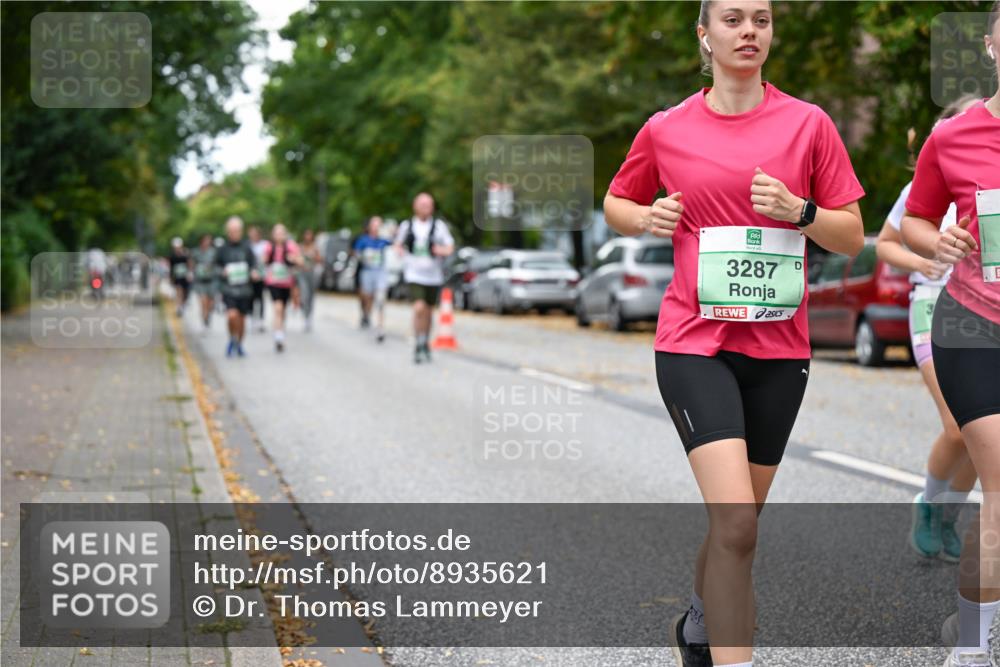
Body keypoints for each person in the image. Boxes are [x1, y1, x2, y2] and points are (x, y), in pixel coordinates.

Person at [604, 2, 865, 665]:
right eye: (732, 19)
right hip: (694, 343)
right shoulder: (667, 129)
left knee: (736, 527)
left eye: (762, 19)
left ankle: (699, 624)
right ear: (705, 35)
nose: (749, 31)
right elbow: (616, 200)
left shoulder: (809, 124)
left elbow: (852, 233)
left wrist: (799, 210)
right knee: (739, 521)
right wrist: (646, 218)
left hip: (779, 350)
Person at [900, 5, 1000, 665]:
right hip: (973, 327)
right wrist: (941, 240)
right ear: (993, 45)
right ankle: (973, 648)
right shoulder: (956, 136)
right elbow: (912, 222)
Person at [876, 96, 980, 563]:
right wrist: (925, 260)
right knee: (958, 426)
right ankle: (929, 504)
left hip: (984, 312)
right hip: (934, 304)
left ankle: (950, 514)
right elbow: (885, 244)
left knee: (983, 432)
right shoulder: (925, 181)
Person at [394, 193, 455, 363]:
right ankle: (418, 343)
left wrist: (440, 250)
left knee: (428, 312)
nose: (425, 208)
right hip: (414, 274)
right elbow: (397, 244)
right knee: (419, 308)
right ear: (415, 206)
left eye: (428, 205)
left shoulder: (439, 226)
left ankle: (425, 342)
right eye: (422, 205)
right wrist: (399, 251)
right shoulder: (407, 225)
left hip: (433, 276)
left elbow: (450, 247)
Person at [214, 216, 259, 358]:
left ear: (241, 231)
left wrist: (254, 272)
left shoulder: (247, 248)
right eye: (231, 231)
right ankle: (232, 339)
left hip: (245, 290)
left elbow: (255, 265)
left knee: (242, 319)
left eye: (237, 231)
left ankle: (239, 343)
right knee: (232, 316)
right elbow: (215, 266)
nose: (234, 233)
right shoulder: (222, 249)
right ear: (228, 232)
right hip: (229, 289)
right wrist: (222, 272)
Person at [262, 223, 302, 352]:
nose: (279, 236)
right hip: (273, 283)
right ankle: (278, 337)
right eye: (277, 233)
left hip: (286, 283)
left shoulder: (290, 246)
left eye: (281, 233)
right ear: (273, 235)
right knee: (277, 308)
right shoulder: (269, 247)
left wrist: (294, 259)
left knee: (283, 310)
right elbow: (262, 261)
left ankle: (280, 332)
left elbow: (301, 261)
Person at [354, 216, 392, 342]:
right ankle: (366, 314)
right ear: (370, 227)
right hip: (367, 271)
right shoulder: (363, 240)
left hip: (380, 272)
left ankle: (380, 327)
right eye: (375, 225)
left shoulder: (384, 240)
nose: (377, 228)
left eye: (379, 225)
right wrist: (363, 256)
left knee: (380, 299)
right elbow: (356, 253)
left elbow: (396, 244)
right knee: (367, 296)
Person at [296, 229, 321, 332]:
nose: (307, 237)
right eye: (306, 235)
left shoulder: (315, 247)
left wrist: (314, 256)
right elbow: (295, 259)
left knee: (311, 296)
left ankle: (309, 316)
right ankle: (305, 314)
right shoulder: (300, 247)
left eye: (309, 235)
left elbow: (320, 259)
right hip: (302, 273)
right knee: (304, 295)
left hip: (311, 273)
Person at [191, 234, 218, 332]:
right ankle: (204, 321)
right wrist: (192, 271)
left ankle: (208, 316)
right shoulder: (196, 252)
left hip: (211, 280)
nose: (207, 242)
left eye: (209, 240)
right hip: (200, 281)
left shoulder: (214, 252)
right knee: (203, 302)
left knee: (210, 303)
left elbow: (217, 263)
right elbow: (192, 263)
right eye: (206, 240)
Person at [247, 225, 268, 333]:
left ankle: (261, 320)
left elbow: (267, 258)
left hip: (261, 275)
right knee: (250, 297)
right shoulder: (247, 245)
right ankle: (251, 319)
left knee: (260, 297)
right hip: (249, 275)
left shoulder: (264, 245)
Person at [168, 237, 192, 317]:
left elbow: (190, 263)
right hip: (177, 276)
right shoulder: (172, 256)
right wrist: (171, 278)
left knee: (185, 292)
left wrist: (190, 273)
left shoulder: (186, 254)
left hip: (185, 276)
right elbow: (171, 267)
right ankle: (179, 307)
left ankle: (183, 304)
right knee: (179, 291)